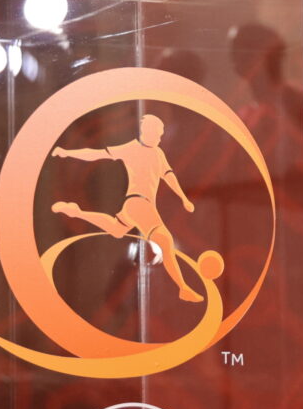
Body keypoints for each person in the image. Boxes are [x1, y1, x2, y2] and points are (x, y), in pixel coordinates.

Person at [50, 114, 203, 302]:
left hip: (137, 205)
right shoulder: (131, 148)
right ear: (147, 131)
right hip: (139, 203)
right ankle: (183, 288)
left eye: (161, 134)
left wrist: (183, 198)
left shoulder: (158, 153)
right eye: (158, 133)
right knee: (165, 240)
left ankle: (76, 212)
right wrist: (67, 153)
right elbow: (97, 154)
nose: (160, 137)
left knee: (117, 228)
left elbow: (168, 175)